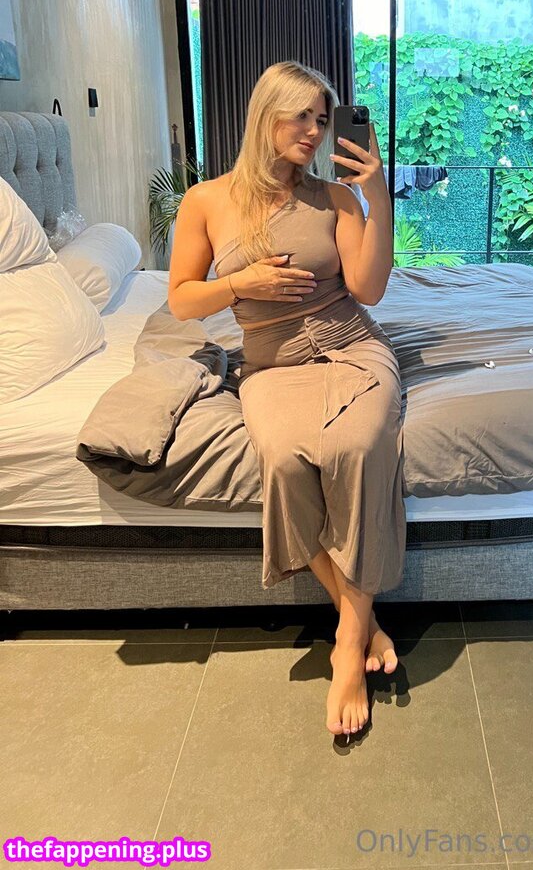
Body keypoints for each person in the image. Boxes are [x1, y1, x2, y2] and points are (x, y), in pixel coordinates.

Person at [168, 60, 406, 739]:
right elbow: (182, 298)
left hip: (353, 349)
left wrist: (376, 193)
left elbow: (369, 289)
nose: (314, 131)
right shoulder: (206, 201)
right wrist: (240, 286)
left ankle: (346, 647)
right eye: (301, 115)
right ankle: (364, 618)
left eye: (322, 120)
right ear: (265, 114)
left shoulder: (335, 199)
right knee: (283, 458)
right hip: (271, 364)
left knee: (358, 445)